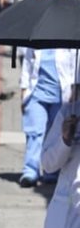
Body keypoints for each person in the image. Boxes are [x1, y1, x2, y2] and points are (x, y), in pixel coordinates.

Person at [19, 47, 78, 187]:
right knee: (34, 132)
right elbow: (27, 65)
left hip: (61, 96)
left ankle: (50, 172)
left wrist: (75, 89)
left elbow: (75, 67)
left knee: (54, 134)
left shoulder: (68, 46)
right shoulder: (35, 43)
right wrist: (23, 90)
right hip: (36, 94)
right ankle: (30, 170)